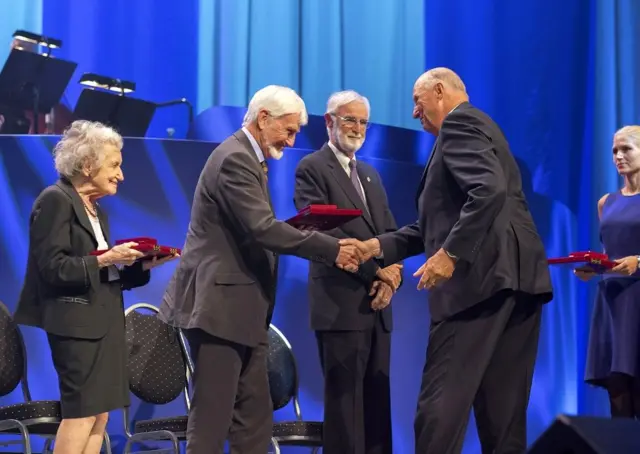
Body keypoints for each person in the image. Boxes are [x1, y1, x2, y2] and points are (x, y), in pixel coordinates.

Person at [341, 68, 553, 454]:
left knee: (439, 410)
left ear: (439, 92)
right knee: (502, 417)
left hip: (478, 286)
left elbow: (486, 193)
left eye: (417, 102)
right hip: (517, 283)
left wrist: (451, 254)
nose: (413, 113)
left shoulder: (459, 125)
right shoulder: (484, 128)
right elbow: (439, 224)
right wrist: (378, 246)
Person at [158, 85, 376, 454]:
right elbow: (262, 228)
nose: (291, 142)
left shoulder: (248, 159)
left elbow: (259, 228)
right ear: (263, 118)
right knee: (212, 419)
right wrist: (333, 248)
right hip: (218, 309)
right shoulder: (234, 158)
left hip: (243, 311)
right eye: (288, 131)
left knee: (253, 421)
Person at [13, 120, 178, 454]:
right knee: (81, 415)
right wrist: (105, 259)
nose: (121, 174)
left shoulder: (96, 211)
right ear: (88, 165)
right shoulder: (56, 200)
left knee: (100, 417)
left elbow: (103, 272)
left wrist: (139, 267)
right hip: (75, 327)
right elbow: (52, 269)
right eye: (114, 165)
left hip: (104, 323)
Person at [293, 90, 402, 454]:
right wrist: (377, 273)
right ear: (329, 122)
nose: (356, 127)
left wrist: (395, 273)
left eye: (362, 121)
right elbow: (321, 232)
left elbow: (389, 231)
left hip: (377, 308)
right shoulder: (312, 167)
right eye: (348, 119)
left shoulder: (370, 174)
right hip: (340, 305)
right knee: (345, 409)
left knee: (377, 405)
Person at [578, 125, 640, 419]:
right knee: (618, 391)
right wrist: (594, 267)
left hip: (637, 297)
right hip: (612, 300)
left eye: (626, 149)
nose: (618, 156)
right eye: (614, 150)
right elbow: (611, 252)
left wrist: (639, 261)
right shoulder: (606, 202)